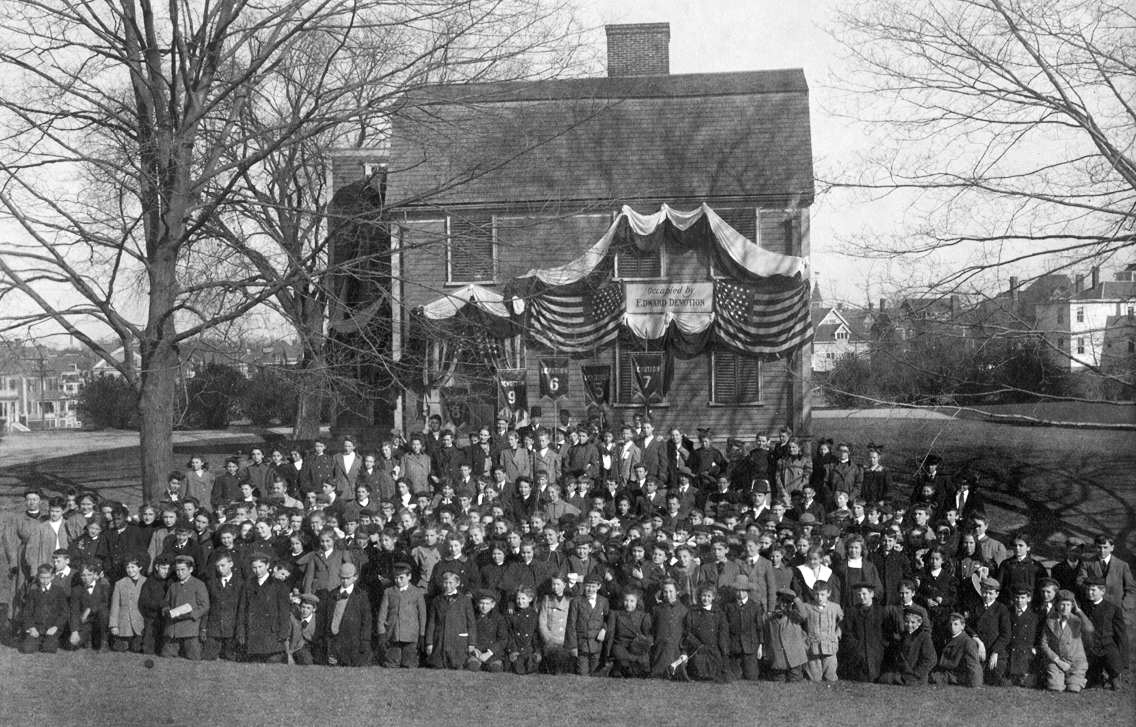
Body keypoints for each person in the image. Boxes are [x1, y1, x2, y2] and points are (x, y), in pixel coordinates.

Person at [1039, 589, 1094, 693]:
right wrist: (1057, 660)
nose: (1065, 608)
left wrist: (1078, 611)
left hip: (1076, 661)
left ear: (1072, 605)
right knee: (1055, 687)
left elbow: (1090, 629)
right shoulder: (1050, 620)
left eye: (1068, 605)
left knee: (1073, 688)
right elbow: (1043, 644)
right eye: (1062, 604)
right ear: (1057, 605)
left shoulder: (1077, 620)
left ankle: (1073, 681)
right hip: (1057, 661)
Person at [318, 561, 371, 666]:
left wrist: (365, 640)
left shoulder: (361, 595)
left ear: (355, 577)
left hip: (352, 642)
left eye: (348, 578)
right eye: (342, 578)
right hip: (334, 639)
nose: (345, 581)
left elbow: (366, 620)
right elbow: (326, 618)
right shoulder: (332, 594)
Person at [376, 562, 428, 669]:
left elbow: (422, 616)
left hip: (411, 636)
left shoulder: (417, 592)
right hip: (393, 635)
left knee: (410, 665)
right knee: (391, 664)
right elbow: (382, 616)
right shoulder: (388, 592)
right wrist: (381, 633)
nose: (398, 581)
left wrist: (422, 635)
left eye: (401, 578)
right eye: (396, 578)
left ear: (409, 577)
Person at [1081, 576, 1127, 690]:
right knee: (1093, 682)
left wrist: (1122, 658)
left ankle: (1114, 676)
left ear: (1102, 591)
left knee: (1114, 663)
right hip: (1088, 648)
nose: (1089, 592)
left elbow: (1121, 635)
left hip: (1106, 646)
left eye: (1093, 590)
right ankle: (1097, 678)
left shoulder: (1112, 609)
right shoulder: (1081, 607)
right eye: (1087, 589)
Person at [162, 555, 209, 660]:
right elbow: (166, 602)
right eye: (177, 570)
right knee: (166, 656)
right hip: (173, 628)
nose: (180, 573)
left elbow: (205, 605)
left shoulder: (199, 584)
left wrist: (191, 614)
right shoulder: (173, 586)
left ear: (190, 569)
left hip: (190, 627)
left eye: (183, 569)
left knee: (193, 657)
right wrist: (166, 611)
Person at [426, 571, 477, 670]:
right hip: (441, 639)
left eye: (450, 583)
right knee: (437, 665)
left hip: (458, 640)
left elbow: (471, 623)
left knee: (458, 665)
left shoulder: (465, 600)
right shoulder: (436, 600)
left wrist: (472, 643)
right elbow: (431, 622)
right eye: (445, 583)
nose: (447, 585)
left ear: (457, 583)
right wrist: (429, 643)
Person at [967, 576, 1011, 686]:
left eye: (991, 593)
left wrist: (995, 652)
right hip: (978, 650)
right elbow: (967, 626)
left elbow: (1006, 634)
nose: (987, 596)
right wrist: (978, 641)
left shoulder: (1002, 609)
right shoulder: (975, 607)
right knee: (974, 677)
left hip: (995, 651)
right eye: (985, 592)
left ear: (997, 594)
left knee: (995, 678)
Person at [1077, 534, 1136, 616]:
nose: (1102, 550)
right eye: (1099, 547)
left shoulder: (1122, 565)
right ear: (1095, 547)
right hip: (1093, 607)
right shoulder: (1087, 564)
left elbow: (1130, 588)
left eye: (1105, 547)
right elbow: (1080, 583)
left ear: (1112, 548)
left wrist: (1125, 605)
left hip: (1116, 608)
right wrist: (1092, 595)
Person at [566, 573, 610, 676]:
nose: (590, 589)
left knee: (596, 674)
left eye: (593, 586)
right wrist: (573, 646)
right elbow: (571, 624)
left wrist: (604, 629)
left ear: (599, 586)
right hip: (582, 644)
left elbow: (607, 619)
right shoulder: (576, 601)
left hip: (597, 643)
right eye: (588, 586)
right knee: (583, 673)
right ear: (583, 585)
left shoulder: (603, 601)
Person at [19, 563, 69, 654]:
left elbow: (64, 612)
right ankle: (36, 641)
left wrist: (56, 627)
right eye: (42, 578)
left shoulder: (59, 591)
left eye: (47, 578)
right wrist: (32, 628)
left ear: (52, 577)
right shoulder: (33, 593)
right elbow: (27, 613)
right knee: (27, 649)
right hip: (36, 628)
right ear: (38, 577)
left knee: (49, 648)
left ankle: (49, 641)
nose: (45, 581)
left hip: (51, 629)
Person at [879, 607, 936, 686]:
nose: (909, 625)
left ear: (919, 623)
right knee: (884, 677)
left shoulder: (924, 637)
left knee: (885, 678)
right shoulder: (904, 635)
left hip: (915, 677)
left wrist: (916, 674)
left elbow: (931, 659)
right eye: (906, 622)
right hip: (904, 674)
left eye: (913, 622)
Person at [724, 574, 764, 682]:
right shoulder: (729, 607)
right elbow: (725, 628)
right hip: (734, 647)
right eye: (738, 590)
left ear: (748, 591)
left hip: (750, 647)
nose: (740, 593)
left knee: (752, 676)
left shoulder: (755, 606)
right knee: (733, 677)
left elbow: (759, 628)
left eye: (743, 590)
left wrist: (760, 646)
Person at [203, 552, 242, 661]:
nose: (220, 569)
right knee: (208, 659)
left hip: (232, 629)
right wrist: (204, 627)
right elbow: (207, 606)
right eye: (217, 567)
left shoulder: (240, 583)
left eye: (223, 565)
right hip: (214, 628)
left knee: (231, 659)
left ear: (231, 564)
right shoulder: (212, 583)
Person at [801, 579, 842, 682]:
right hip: (813, 647)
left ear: (829, 593)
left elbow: (843, 623)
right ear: (812, 593)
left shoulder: (835, 607)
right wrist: (804, 638)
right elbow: (799, 624)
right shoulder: (806, 607)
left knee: (830, 677)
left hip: (830, 646)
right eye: (817, 594)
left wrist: (837, 635)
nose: (819, 597)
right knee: (814, 678)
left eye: (822, 594)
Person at [765, 588, 808, 682]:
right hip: (779, 658)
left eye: (788, 602)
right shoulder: (771, 616)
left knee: (794, 678)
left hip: (795, 657)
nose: (785, 604)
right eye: (782, 600)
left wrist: (796, 599)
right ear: (778, 600)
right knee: (778, 679)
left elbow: (804, 615)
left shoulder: (793, 615)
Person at [930, 612, 983, 687]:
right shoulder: (948, 637)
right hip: (946, 672)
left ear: (962, 626)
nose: (952, 627)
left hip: (956, 675)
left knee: (930, 678)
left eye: (956, 624)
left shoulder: (967, 641)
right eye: (950, 624)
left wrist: (976, 685)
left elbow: (974, 664)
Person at [68, 560, 111, 651]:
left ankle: (104, 641)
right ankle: (88, 639)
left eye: (89, 575)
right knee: (73, 645)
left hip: (99, 622)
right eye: (83, 575)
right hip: (85, 622)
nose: (86, 578)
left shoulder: (103, 587)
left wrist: (90, 609)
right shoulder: (76, 590)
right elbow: (74, 610)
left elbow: (106, 604)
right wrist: (74, 631)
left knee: (103, 612)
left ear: (95, 574)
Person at [109, 553, 147, 652]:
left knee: (137, 648)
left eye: (133, 567)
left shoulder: (146, 582)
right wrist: (114, 625)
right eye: (128, 567)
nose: (130, 570)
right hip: (124, 624)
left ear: (140, 567)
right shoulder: (119, 583)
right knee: (121, 648)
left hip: (140, 623)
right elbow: (115, 605)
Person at [1006, 585, 1040, 687]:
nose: (1019, 600)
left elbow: (1037, 635)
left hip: (1026, 651)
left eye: (1023, 598)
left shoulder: (1034, 616)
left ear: (1029, 599)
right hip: (1010, 649)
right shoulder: (1007, 612)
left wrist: (1035, 648)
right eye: (1017, 597)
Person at [507, 586, 543, 675]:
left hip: (529, 649)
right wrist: (513, 651)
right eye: (518, 598)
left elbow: (535, 635)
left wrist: (537, 652)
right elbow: (510, 635)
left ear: (530, 599)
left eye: (523, 598)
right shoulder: (512, 616)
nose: (520, 601)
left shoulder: (534, 616)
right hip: (517, 649)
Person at [287, 593, 320, 665]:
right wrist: (288, 654)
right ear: (299, 607)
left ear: (314, 609)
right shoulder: (293, 618)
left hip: (313, 649)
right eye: (303, 607)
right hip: (296, 649)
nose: (305, 610)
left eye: (308, 608)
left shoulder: (317, 620)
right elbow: (287, 637)